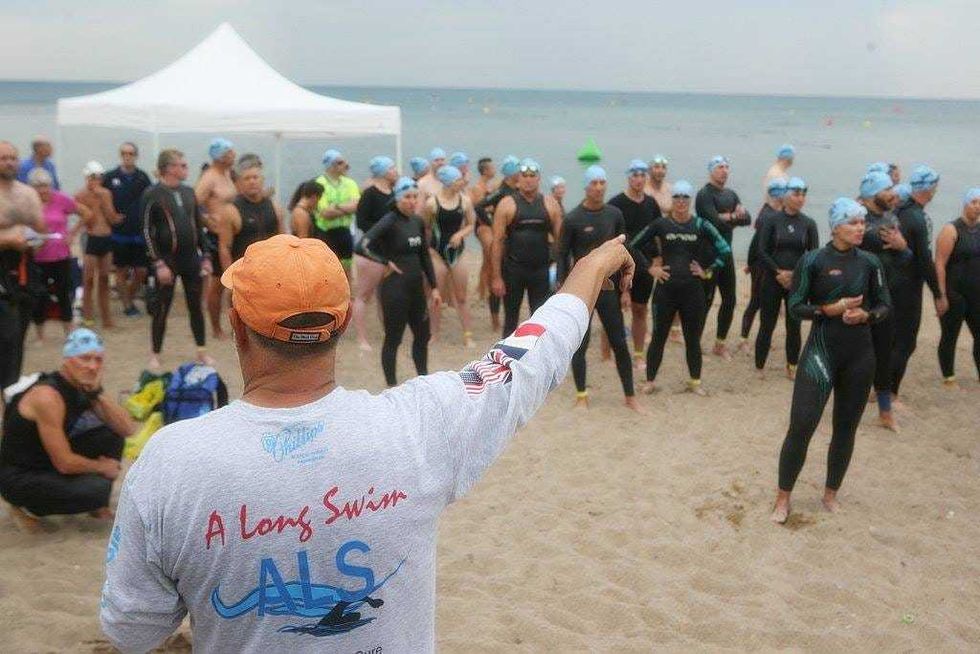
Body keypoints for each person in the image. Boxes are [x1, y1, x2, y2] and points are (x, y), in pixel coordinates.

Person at [100, 226, 633, 652]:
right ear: (344, 319)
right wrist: (589, 269)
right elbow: (529, 356)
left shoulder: (170, 462)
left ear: (238, 327)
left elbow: (133, 630)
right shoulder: (419, 426)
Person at [770, 198, 891, 524]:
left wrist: (866, 315)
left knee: (845, 429)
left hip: (859, 356)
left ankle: (830, 493)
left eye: (863, 222)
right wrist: (829, 310)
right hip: (820, 354)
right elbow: (795, 306)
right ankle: (783, 498)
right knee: (802, 426)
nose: (860, 227)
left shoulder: (870, 263)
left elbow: (884, 306)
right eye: (853, 222)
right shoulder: (812, 261)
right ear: (835, 225)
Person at [0, 328, 135, 532]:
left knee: (111, 435)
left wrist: (96, 393)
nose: (92, 366)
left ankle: (95, 505)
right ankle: (24, 507)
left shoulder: (82, 386)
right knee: (97, 489)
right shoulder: (47, 396)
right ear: (67, 360)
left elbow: (127, 429)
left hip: (44, 460)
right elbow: (64, 463)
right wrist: (101, 467)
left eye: (98, 360)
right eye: (85, 358)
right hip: (19, 475)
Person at [632, 180, 731, 395]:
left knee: (692, 339)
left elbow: (724, 249)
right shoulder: (661, 224)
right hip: (665, 291)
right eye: (676, 197)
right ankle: (649, 381)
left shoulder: (700, 225)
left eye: (685, 197)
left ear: (690, 200)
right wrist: (650, 268)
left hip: (692, 291)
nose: (681, 201)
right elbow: (634, 246)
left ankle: (695, 382)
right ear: (672, 200)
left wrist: (707, 270)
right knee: (659, 337)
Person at [559, 166, 639, 411]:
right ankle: (581, 396)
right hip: (582, 292)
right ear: (585, 186)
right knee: (580, 345)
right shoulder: (572, 219)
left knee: (619, 342)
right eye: (594, 182)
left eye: (602, 182)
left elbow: (624, 253)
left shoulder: (614, 214)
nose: (599, 187)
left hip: (609, 291)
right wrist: (562, 292)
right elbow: (562, 257)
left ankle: (630, 398)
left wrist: (626, 290)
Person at [356, 178, 442, 385]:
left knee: (422, 337)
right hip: (395, 289)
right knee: (394, 339)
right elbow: (362, 245)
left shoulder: (418, 221)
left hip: (416, 289)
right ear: (397, 199)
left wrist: (435, 287)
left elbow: (424, 257)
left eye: (415, 197)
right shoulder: (389, 220)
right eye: (407, 197)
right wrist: (384, 261)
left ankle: (423, 380)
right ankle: (391, 385)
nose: (412, 201)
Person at [141, 148, 213, 370]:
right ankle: (155, 353)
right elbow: (146, 231)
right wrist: (158, 263)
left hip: (191, 259)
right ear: (169, 168)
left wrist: (207, 256)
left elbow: (198, 227)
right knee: (162, 308)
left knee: (196, 307)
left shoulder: (189, 192)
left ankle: (201, 352)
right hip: (166, 261)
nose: (186, 169)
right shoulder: (152, 194)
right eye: (182, 165)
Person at [856, 170, 908, 431]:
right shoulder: (857, 221)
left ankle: (885, 412)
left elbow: (906, 257)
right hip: (859, 297)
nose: (893, 193)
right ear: (870, 194)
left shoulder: (890, 218)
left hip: (885, 296)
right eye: (887, 189)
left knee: (884, 355)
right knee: (855, 354)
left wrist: (901, 246)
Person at [754, 177, 819, 378]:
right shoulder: (771, 220)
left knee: (794, 325)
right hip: (773, 279)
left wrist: (795, 275)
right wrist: (778, 273)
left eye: (803, 195)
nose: (800, 199)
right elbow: (762, 251)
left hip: (796, 281)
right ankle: (760, 366)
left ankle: (792, 366)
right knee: (767, 324)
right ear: (786, 195)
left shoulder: (809, 224)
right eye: (796, 194)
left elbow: (813, 254)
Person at [887, 165, 942, 399]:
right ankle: (890, 394)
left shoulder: (900, 210)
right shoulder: (917, 218)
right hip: (907, 288)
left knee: (889, 341)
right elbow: (924, 262)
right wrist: (938, 293)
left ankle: (880, 388)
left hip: (890, 283)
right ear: (929, 189)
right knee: (906, 343)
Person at [491, 158, 563, 336]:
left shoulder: (550, 203)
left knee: (539, 320)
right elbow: (497, 242)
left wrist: (561, 273)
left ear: (539, 179)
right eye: (525, 175)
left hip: (541, 270)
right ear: (518, 179)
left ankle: (537, 359)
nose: (528, 179)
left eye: (533, 175)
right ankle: (505, 361)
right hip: (514, 269)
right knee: (511, 319)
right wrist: (496, 277)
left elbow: (561, 243)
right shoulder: (507, 204)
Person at [695, 156, 751, 359]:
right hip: (707, 255)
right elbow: (712, 221)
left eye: (727, 167)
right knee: (705, 301)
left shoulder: (731, 194)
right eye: (720, 167)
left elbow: (748, 219)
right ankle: (695, 342)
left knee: (730, 300)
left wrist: (727, 217)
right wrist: (733, 217)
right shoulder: (704, 194)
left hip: (726, 255)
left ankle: (720, 344)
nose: (724, 171)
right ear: (711, 170)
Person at [1, 140, 45, 389]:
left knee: (17, 337)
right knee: (6, 336)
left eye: (13, 157)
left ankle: (10, 391)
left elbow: (40, 233)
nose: (9, 162)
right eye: (3, 158)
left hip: (24, 270)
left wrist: (33, 239)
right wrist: (7, 239)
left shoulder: (27, 193)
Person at [610, 159, 663, 363]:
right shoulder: (616, 203)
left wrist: (659, 257)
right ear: (628, 177)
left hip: (645, 266)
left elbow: (658, 232)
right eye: (635, 175)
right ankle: (609, 353)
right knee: (615, 311)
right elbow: (611, 236)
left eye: (642, 175)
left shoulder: (651, 203)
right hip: (621, 264)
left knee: (640, 309)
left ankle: (639, 355)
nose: (639, 179)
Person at [29, 168, 89, 341]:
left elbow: (86, 213)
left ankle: (68, 331)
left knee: (64, 293)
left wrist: (72, 233)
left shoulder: (60, 198)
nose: (43, 190)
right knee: (39, 295)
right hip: (37, 256)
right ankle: (40, 335)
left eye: (46, 186)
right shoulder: (29, 201)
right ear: (32, 188)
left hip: (60, 255)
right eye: (39, 187)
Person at [424, 164, 475, 346]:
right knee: (436, 296)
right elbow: (426, 228)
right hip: (437, 253)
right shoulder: (432, 204)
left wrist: (460, 234)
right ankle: (434, 334)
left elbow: (471, 224)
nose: (461, 182)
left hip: (457, 252)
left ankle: (467, 335)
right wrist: (428, 251)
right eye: (458, 180)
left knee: (461, 296)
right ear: (448, 182)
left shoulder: (465, 201)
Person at [935, 188, 980, 388]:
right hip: (955, 293)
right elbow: (939, 263)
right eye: (974, 202)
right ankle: (949, 376)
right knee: (950, 335)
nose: (978, 207)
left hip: (977, 293)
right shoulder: (951, 230)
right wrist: (941, 294)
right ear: (965, 203)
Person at [350, 155, 395, 351]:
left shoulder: (394, 192)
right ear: (384, 172)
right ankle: (361, 338)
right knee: (363, 295)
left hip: (389, 250)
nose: (396, 171)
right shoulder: (370, 193)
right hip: (370, 251)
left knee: (385, 295)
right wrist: (382, 230)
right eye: (393, 168)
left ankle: (388, 333)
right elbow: (361, 221)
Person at [738, 177, 787, 352]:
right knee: (756, 302)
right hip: (761, 265)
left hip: (768, 263)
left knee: (767, 303)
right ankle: (743, 339)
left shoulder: (774, 212)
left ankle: (763, 338)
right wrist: (751, 264)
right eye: (786, 192)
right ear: (779, 195)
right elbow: (757, 244)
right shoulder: (768, 215)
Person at [103, 142, 152, 317]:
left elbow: (150, 202)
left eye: (131, 153)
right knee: (120, 270)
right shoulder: (109, 177)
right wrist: (109, 217)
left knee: (141, 271)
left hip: (138, 234)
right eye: (124, 153)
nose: (127, 156)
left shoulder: (143, 177)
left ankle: (129, 298)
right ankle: (127, 305)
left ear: (136, 156)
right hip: (118, 234)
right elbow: (100, 200)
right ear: (120, 155)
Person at [195, 138, 237, 339]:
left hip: (230, 233)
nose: (233, 155)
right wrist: (206, 221)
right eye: (229, 152)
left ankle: (235, 324)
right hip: (215, 235)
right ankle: (215, 327)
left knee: (235, 281)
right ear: (219, 156)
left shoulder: (227, 174)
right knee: (218, 283)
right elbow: (193, 204)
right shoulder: (209, 177)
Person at [75, 161, 122, 329]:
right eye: (92, 177)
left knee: (104, 279)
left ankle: (106, 318)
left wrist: (103, 200)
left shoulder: (106, 193)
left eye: (98, 178)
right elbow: (86, 219)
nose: (95, 181)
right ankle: (88, 316)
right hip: (91, 238)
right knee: (88, 280)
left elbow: (111, 217)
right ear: (86, 178)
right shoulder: (80, 195)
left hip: (105, 237)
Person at [475, 155, 520, 331]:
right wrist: (491, 224)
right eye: (518, 170)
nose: (521, 174)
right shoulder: (501, 191)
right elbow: (479, 206)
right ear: (511, 173)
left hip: (513, 241)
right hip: (501, 240)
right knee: (497, 274)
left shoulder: (519, 190)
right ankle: (494, 318)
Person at [215, 159, 283, 272]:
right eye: (247, 178)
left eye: (255, 177)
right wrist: (229, 279)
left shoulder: (275, 207)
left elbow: (283, 241)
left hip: (272, 271)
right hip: (245, 273)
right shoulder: (230, 211)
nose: (252, 181)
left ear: (262, 180)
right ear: (239, 183)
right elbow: (224, 248)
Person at [315, 149, 361, 277]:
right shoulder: (320, 183)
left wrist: (335, 207)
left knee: (346, 268)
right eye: (340, 163)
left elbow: (357, 205)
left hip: (345, 231)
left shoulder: (350, 183)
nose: (346, 165)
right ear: (331, 166)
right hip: (326, 231)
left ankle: (348, 294)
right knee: (327, 269)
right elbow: (324, 212)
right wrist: (347, 208)